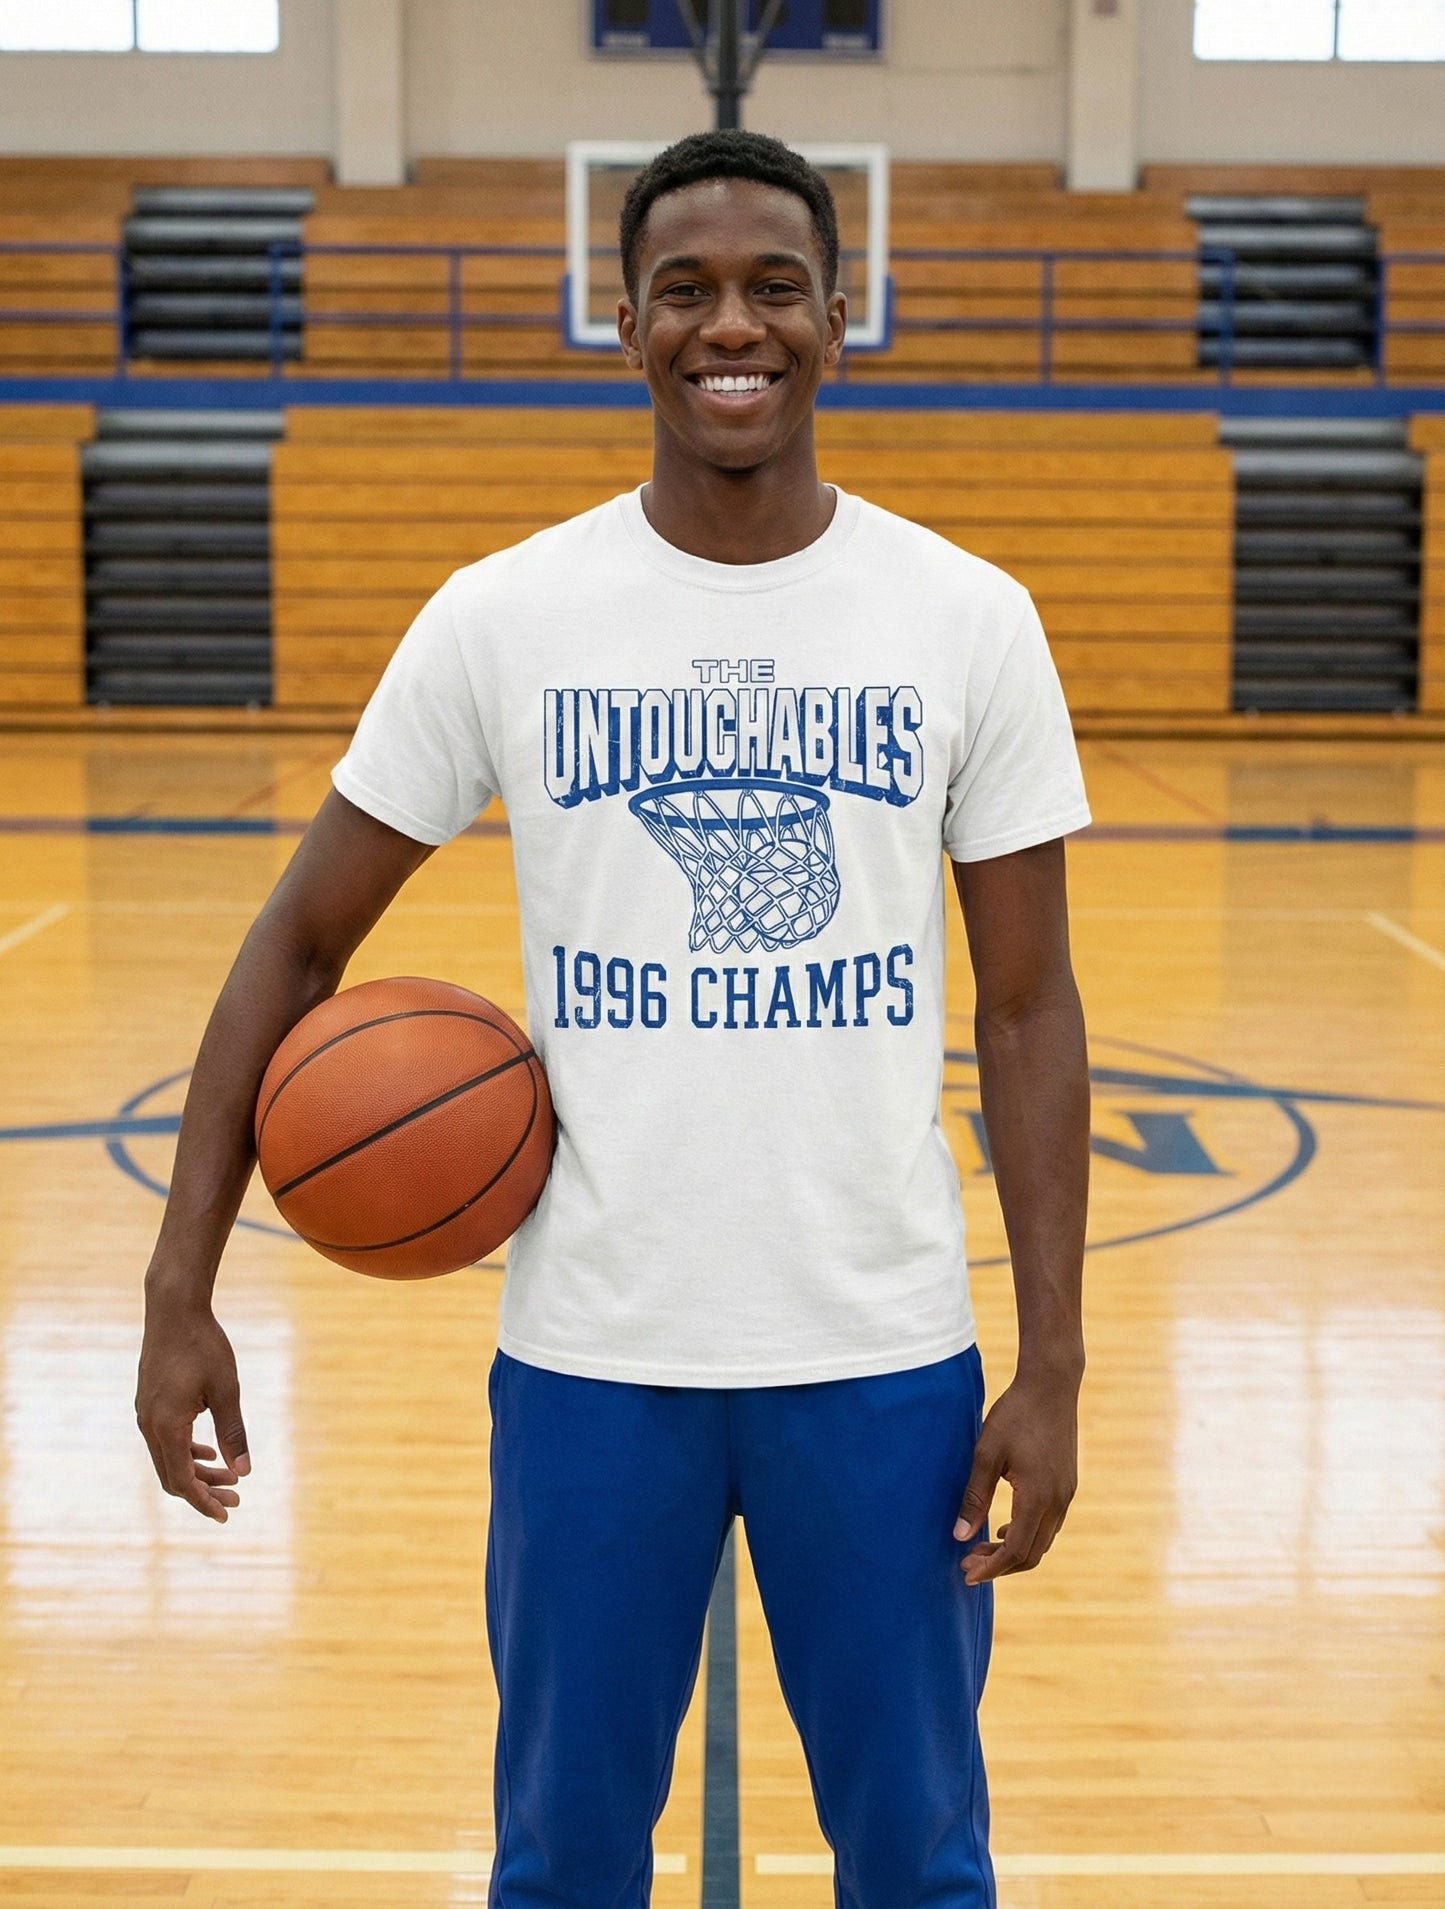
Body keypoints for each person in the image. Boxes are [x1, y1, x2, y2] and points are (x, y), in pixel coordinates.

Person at [136, 131, 1091, 1907]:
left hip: (880, 1358)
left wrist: (1053, 1361)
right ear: (627, 321)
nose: (732, 324)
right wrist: (177, 1282)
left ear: (834, 315)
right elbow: (296, 945)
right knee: (566, 1859)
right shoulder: (508, 616)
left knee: (919, 1857)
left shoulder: (968, 618)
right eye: (686, 289)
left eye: (772, 287)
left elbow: (1029, 1007)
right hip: (590, 1361)